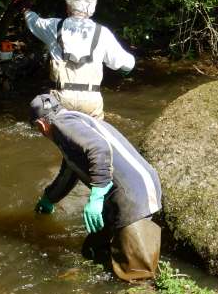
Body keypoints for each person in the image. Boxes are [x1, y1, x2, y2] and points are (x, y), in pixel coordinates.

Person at [28, 93, 162, 281]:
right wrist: (49, 198)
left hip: (135, 195)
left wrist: (97, 194)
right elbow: (69, 172)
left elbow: (99, 148)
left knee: (138, 274)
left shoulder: (61, 124)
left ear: (41, 126)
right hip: (123, 193)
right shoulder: (78, 122)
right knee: (92, 253)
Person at [20, 0, 135, 119]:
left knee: (52, 124)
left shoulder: (53, 26)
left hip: (60, 99)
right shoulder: (103, 33)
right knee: (94, 135)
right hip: (91, 100)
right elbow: (127, 65)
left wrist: (24, 8)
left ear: (68, 7)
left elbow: (33, 21)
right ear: (91, 9)